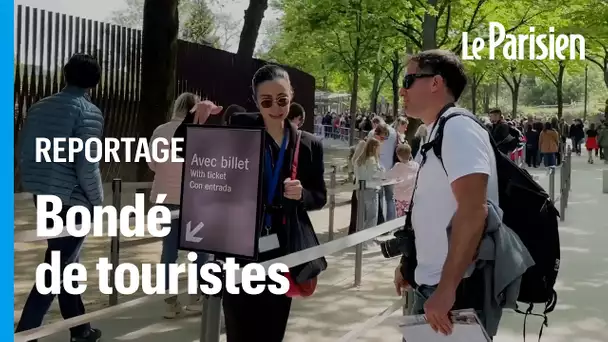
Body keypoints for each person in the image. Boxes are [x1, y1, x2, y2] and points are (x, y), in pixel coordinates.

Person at [174, 64, 327, 342]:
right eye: (266, 101)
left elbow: (320, 197)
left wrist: (303, 194)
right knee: (238, 328)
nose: (276, 108)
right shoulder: (241, 128)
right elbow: (181, 150)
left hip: (282, 251)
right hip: (238, 249)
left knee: (272, 329)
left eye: (282, 99)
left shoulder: (308, 144)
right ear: (256, 102)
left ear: (291, 95)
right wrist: (194, 120)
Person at [394, 49, 504, 337]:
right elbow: (435, 208)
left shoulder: (458, 129)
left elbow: (472, 210)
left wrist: (446, 289)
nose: (402, 89)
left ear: (435, 83)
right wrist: (411, 264)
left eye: (408, 79)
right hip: (435, 286)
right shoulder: (439, 130)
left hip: (455, 294)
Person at [17, 53, 103, 342]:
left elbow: (27, 150)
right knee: (56, 268)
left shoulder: (40, 107)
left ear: (66, 74)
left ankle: (81, 329)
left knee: (67, 262)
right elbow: (87, 165)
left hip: (43, 195)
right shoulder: (88, 112)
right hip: (73, 200)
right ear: (94, 80)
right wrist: (98, 201)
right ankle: (25, 334)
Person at [148, 92, 213, 318]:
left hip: (164, 198)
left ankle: (169, 302)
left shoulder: (159, 131)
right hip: (193, 199)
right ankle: (197, 297)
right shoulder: (200, 133)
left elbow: (153, 164)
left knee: (169, 251)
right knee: (200, 252)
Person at [354, 138, 384, 238]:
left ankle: (360, 239)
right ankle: (367, 240)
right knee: (371, 217)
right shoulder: (372, 160)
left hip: (360, 189)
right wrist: (382, 172)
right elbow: (374, 174)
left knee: (361, 217)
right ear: (375, 147)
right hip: (371, 189)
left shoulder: (359, 159)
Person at [385, 144, 419, 217]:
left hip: (400, 198)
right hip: (412, 197)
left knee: (400, 217)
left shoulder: (398, 166)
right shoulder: (416, 165)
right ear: (410, 154)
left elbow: (388, 176)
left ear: (398, 156)